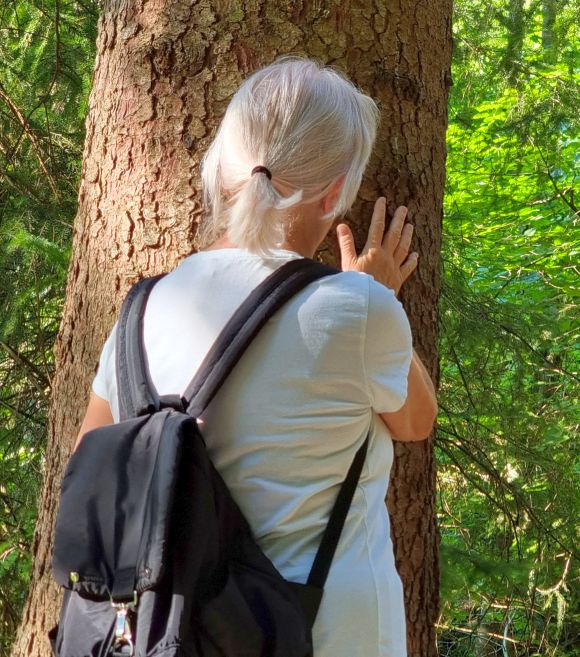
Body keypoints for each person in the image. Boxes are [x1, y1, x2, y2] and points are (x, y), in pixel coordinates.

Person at [75, 57, 437, 657]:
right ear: (335, 196)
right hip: (324, 635)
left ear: (222, 165)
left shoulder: (142, 308)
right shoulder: (359, 310)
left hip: (168, 632)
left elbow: (92, 458)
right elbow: (416, 422)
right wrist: (379, 292)